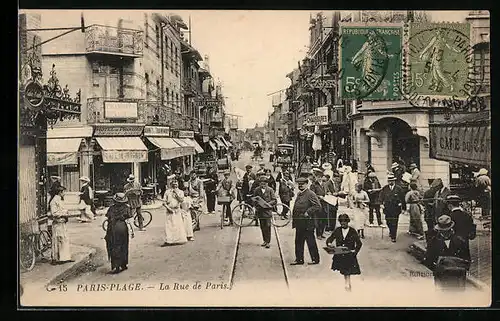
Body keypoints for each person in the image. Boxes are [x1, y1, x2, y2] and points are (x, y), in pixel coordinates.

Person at [424, 215, 471, 291]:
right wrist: (438, 268)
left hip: (458, 278)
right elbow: (428, 260)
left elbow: (467, 259)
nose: (445, 232)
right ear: (439, 230)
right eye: (443, 230)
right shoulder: (433, 242)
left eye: (446, 230)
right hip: (441, 278)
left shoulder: (460, 240)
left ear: (451, 228)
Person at [326, 213, 362, 292]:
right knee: (344, 270)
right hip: (340, 254)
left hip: (349, 255)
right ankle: (347, 282)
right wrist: (329, 244)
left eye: (344, 221)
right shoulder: (337, 230)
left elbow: (359, 243)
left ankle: (347, 283)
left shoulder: (352, 231)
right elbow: (330, 239)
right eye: (341, 221)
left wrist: (354, 252)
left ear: (348, 222)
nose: (343, 223)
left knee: (346, 270)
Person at [290, 177, 322, 265]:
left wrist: (308, 212)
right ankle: (299, 260)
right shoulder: (299, 194)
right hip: (299, 223)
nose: (300, 186)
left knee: (310, 242)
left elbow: (317, 206)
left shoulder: (310, 194)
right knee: (298, 242)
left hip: (308, 223)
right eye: (299, 185)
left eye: (302, 184)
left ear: (306, 184)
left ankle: (315, 259)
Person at [105, 193, 132, 274]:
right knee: (124, 245)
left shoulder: (111, 208)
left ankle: (116, 266)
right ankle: (123, 264)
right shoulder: (126, 208)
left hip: (112, 228)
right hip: (122, 227)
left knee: (114, 245)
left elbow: (108, 217)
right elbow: (129, 216)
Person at [446, 194, 475, 262]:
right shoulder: (467, 215)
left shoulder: (449, 217)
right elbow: (471, 231)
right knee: (465, 261)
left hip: (454, 244)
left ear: (450, 205)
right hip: (465, 244)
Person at [49, 186, 73, 265]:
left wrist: (65, 212)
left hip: (62, 222)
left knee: (64, 239)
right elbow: (54, 213)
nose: (64, 194)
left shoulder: (59, 200)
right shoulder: (54, 201)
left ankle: (65, 257)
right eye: (63, 192)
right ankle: (56, 258)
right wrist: (64, 213)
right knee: (58, 240)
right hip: (57, 223)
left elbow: (62, 209)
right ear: (59, 192)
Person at [378, 173, 406, 243]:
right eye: (389, 181)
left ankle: (394, 236)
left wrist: (403, 208)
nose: (390, 182)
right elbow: (381, 197)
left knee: (395, 222)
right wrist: (381, 204)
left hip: (396, 208)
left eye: (392, 180)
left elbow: (403, 199)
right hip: (387, 208)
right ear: (388, 181)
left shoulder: (399, 188)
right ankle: (391, 231)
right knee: (388, 221)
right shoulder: (385, 188)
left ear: (394, 181)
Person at [252, 176, 277, 248]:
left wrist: (268, 204)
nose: (262, 185)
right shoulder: (257, 190)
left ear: (267, 183)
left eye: (264, 184)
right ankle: (264, 240)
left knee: (268, 226)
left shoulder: (270, 190)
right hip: (260, 211)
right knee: (262, 226)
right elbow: (254, 200)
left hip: (267, 211)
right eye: (261, 184)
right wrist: (256, 205)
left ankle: (268, 241)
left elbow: (274, 200)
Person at [162, 179, 188, 246]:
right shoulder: (167, 192)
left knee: (177, 225)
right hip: (169, 210)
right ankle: (169, 240)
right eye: (173, 184)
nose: (175, 186)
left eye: (176, 184)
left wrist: (176, 195)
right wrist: (168, 208)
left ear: (178, 185)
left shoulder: (180, 192)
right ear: (171, 185)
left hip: (177, 210)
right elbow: (164, 202)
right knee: (169, 226)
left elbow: (182, 200)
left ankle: (178, 240)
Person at [310, 168, 327, 240]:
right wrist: (319, 197)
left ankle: (322, 233)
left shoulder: (324, 184)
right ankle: (318, 234)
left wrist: (328, 194)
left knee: (324, 219)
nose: (319, 178)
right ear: (316, 177)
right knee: (318, 220)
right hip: (318, 204)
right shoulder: (313, 185)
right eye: (318, 177)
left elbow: (326, 192)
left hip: (324, 204)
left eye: (321, 177)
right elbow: (312, 195)